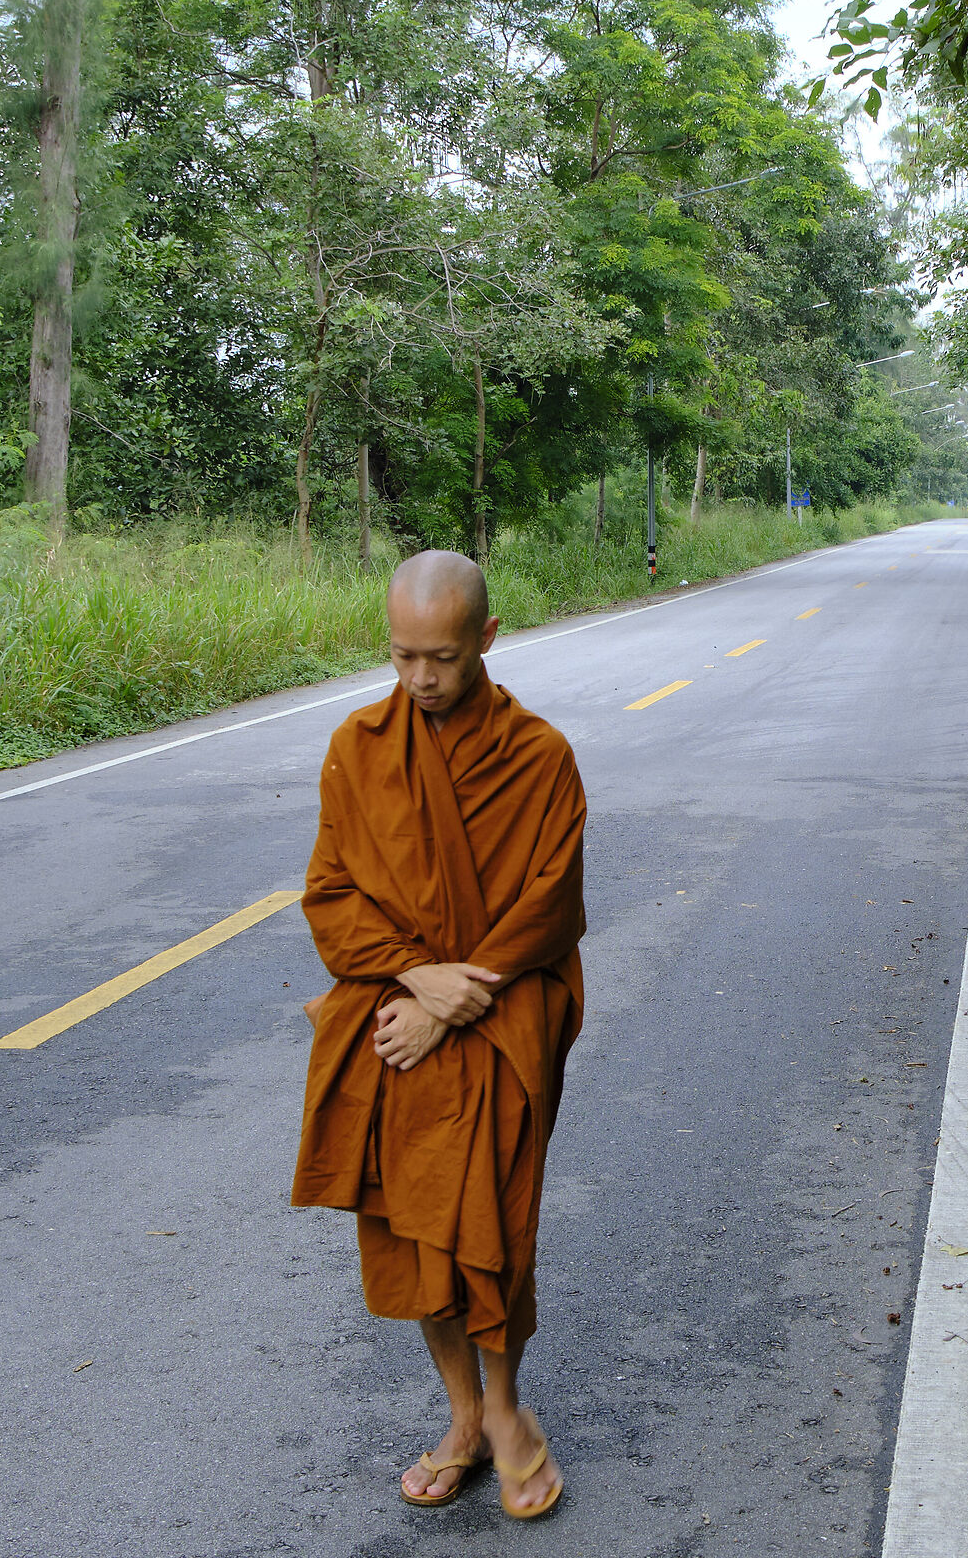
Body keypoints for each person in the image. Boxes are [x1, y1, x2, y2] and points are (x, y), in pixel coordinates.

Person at [291, 550, 585, 1518]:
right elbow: (330, 892)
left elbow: (551, 905)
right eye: (403, 655)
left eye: (443, 658)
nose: (420, 678)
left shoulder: (539, 756)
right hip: (398, 1017)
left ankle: (504, 1411)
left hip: (501, 1023)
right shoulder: (359, 745)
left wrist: (462, 992)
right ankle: (462, 1413)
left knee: (493, 1230)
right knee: (416, 1231)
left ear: (488, 640)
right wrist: (414, 978)